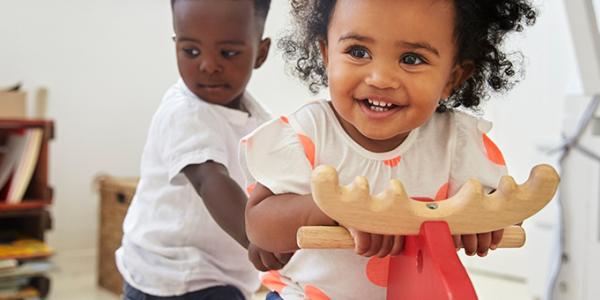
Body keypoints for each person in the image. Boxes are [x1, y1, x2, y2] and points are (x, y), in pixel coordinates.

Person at [241, 0, 537, 299]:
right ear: (327, 56)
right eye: (358, 52)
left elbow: (505, 211)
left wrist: (485, 221)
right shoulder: (310, 133)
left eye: (411, 58)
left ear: (453, 78)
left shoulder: (455, 141)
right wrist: (339, 211)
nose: (380, 78)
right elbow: (259, 224)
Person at [116, 1, 289, 299]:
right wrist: (255, 237)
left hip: (221, 273)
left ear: (260, 53)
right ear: (176, 46)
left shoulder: (259, 119)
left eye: (228, 52)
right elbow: (209, 180)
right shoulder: (184, 112)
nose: (208, 65)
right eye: (191, 51)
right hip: (170, 275)